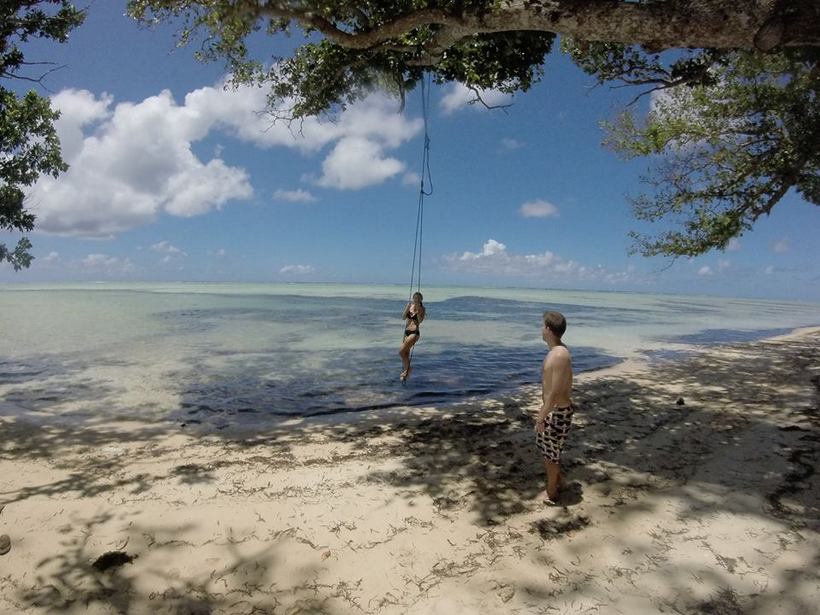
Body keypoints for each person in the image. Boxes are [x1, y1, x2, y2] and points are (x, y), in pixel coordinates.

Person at [534, 310, 574, 505]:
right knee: (549, 451)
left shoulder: (558, 355)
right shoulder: (558, 351)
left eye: (543, 326)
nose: (541, 330)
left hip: (556, 413)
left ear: (548, 329)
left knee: (550, 456)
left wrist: (541, 417)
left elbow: (555, 393)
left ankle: (552, 492)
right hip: (554, 411)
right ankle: (560, 481)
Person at [399, 292, 425, 382]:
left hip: (414, 332)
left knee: (401, 351)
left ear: (421, 299)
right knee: (405, 354)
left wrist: (417, 312)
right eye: (415, 297)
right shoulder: (409, 306)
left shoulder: (422, 308)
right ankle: (406, 372)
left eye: (418, 298)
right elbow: (403, 318)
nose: (416, 299)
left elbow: (420, 321)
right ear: (413, 298)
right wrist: (406, 309)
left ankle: (408, 370)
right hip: (406, 332)